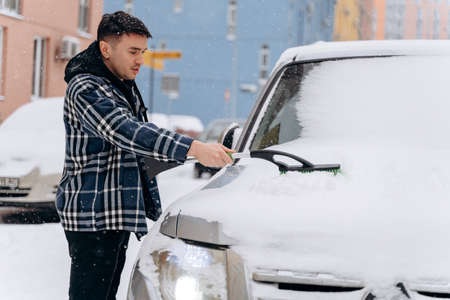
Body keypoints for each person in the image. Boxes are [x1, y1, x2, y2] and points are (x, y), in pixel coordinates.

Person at [56, 11, 233, 300]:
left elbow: (141, 142)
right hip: (92, 215)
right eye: (133, 51)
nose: (140, 60)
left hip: (113, 213)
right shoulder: (85, 87)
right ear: (106, 49)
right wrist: (195, 148)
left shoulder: (118, 84)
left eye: (143, 52)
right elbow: (126, 131)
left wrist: (182, 156)